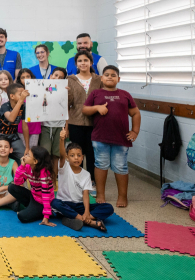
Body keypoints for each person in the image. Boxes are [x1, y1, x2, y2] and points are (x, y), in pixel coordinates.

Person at [82, 65, 141, 208]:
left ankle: (122, 196)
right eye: (106, 74)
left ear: (118, 79)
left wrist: (135, 131)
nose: (109, 77)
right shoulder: (95, 93)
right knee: (101, 164)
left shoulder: (125, 94)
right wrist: (97, 108)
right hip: (100, 137)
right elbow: (85, 109)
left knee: (120, 167)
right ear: (102, 78)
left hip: (121, 139)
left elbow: (135, 113)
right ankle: (101, 194)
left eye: (113, 75)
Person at [51, 130, 113, 231]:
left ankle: (79, 218)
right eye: (72, 155)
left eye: (79, 155)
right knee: (54, 202)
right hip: (65, 203)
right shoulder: (64, 167)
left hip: (80, 206)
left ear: (82, 157)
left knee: (108, 207)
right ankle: (90, 222)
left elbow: (85, 194)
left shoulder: (86, 174)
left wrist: (87, 212)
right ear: (67, 157)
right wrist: (61, 140)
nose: (76, 158)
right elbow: (61, 155)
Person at [67, 50, 102, 182]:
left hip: (95, 123)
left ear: (91, 62)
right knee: (77, 153)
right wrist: (67, 94)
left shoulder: (99, 80)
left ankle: (92, 180)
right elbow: (68, 103)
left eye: (86, 60)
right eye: (80, 61)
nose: (83, 63)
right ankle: (78, 180)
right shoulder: (70, 80)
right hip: (75, 122)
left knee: (92, 153)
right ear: (76, 64)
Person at [8, 146, 55, 225]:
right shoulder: (28, 167)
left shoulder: (44, 173)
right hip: (33, 196)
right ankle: (32, 209)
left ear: (35, 161)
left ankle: (42, 212)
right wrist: (22, 167)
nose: (25, 156)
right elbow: (17, 182)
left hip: (42, 202)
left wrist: (46, 216)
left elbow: (46, 195)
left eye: (28, 155)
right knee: (12, 187)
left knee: (22, 216)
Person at [40, 67, 68, 173]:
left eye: (61, 77)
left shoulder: (65, 91)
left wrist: (66, 127)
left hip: (60, 126)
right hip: (45, 125)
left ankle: (54, 178)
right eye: (56, 75)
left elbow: (67, 111)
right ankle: (44, 177)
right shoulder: (42, 88)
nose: (57, 78)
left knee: (56, 155)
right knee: (45, 153)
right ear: (51, 76)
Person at [16, 69, 41, 149]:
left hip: (35, 125)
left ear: (32, 77)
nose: (26, 79)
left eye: (28, 76)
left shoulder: (38, 90)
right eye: (23, 77)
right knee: (23, 150)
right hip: (22, 125)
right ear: (19, 80)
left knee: (33, 150)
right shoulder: (17, 92)